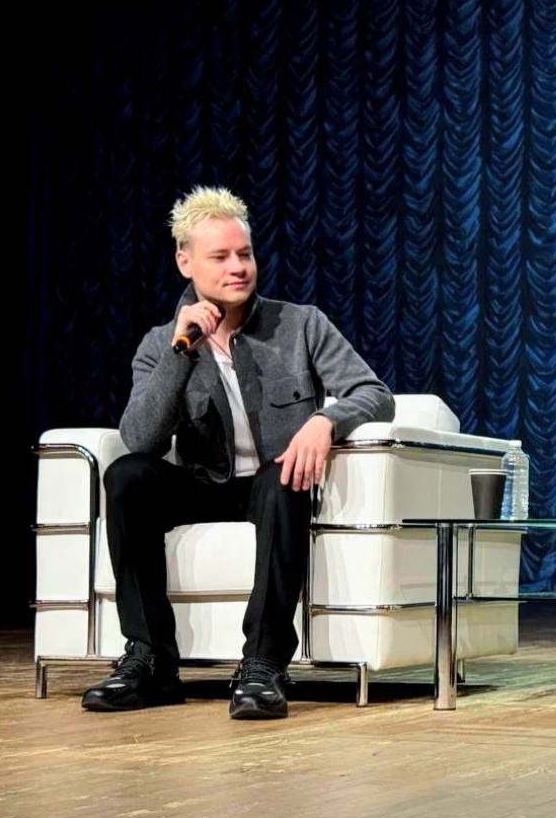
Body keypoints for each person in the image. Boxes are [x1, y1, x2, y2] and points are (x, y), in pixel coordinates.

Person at [81, 186, 394, 719]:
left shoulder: (300, 324)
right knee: (127, 476)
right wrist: (182, 353)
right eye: (220, 256)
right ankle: (151, 661)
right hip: (203, 484)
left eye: (244, 254)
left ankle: (263, 665)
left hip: (276, 486)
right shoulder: (161, 343)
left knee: (284, 478)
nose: (238, 268)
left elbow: (375, 393)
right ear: (185, 262)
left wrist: (325, 420)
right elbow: (142, 438)